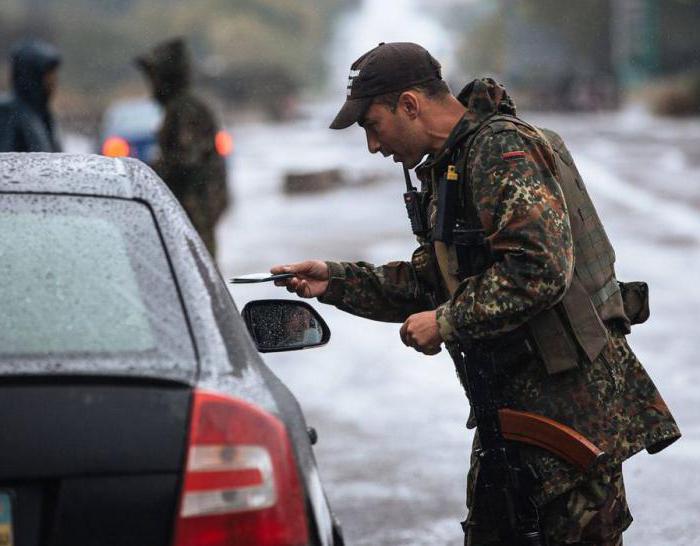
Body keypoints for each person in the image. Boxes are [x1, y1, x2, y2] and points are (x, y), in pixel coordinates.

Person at [271, 42, 681, 545]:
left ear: (409, 105)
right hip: (514, 419)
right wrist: (334, 281)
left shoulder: (499, 151)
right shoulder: (454, 165)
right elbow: (432, 281)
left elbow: (540, 269)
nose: (373, 146)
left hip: (569, 424)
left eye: (371, 125)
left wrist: (445, 323)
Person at [135, 38, 229, 258]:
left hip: (194, 213)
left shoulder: (186, 110)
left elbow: (186, 164)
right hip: (189, 213)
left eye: (155, 78)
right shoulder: (181, 108)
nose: (152, 86)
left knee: (197, 278)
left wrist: (148, 175)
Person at [0, 39, 62, 152]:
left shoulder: (41, 114)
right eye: (48, 74)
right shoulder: (8, 114)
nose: (53, 81)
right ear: (32, 76)